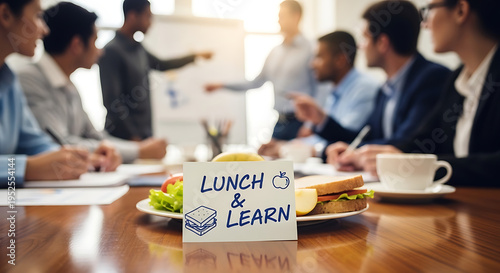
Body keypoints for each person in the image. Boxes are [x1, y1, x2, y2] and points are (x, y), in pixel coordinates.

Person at [334, 0, 500, 187]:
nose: (425, 24)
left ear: (461, 10)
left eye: (429, 10)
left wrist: (425, 166)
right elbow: (421, 140)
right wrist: (382, 156)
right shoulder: (457, 79)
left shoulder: (436, 77)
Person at [294, 0, 451, 163]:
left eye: (365, 38)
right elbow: (365, 136)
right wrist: (345, 146)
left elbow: (407, 143)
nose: (361, 47)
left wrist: (356, 152)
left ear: (382, 43)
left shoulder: (432, 78)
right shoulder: (385, 89)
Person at [18, 2, 166, 164]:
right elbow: (61, 144)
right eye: (95, 41)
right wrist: (139, 151)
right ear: (77, 45)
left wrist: (137, 148)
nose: (100, 51)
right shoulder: (28, 80)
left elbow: (96, 137)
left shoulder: (70, 87)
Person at [0, 0, 90, 188]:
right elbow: (32, 164)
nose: (44, 30)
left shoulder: (9, 79)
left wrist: (70, 158)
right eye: (37, 16)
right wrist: (26, 168)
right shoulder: (26, 77)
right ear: (6, 15)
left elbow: (34, 142)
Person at [205, 0, 318, 142]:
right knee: (269, 159)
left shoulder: (312, 49)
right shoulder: (275, 52)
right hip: (281, 122)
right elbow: (256, 82)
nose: (278, 20)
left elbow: (321, 90)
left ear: (296, 16)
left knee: (301, 162)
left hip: (302, 122)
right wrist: (222, 85)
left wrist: (311, 124)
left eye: (282, 16)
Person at [99, 0, 212, 141]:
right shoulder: (111, 51)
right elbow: (112, 102)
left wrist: (195, 56)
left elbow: (163, 64)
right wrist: (132, 136)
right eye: (148, 16)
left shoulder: (138, 49)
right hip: (123, 139)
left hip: (144, 135)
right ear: (133, 15)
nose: (151, 22)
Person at [258, 31, 380, 157]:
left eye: (319, 57)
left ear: (340, 60)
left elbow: (345, 139)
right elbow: (324, 138)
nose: (312, 65)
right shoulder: (335, 90)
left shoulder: (364, 89)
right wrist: (286, 146)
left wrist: (291, 149)